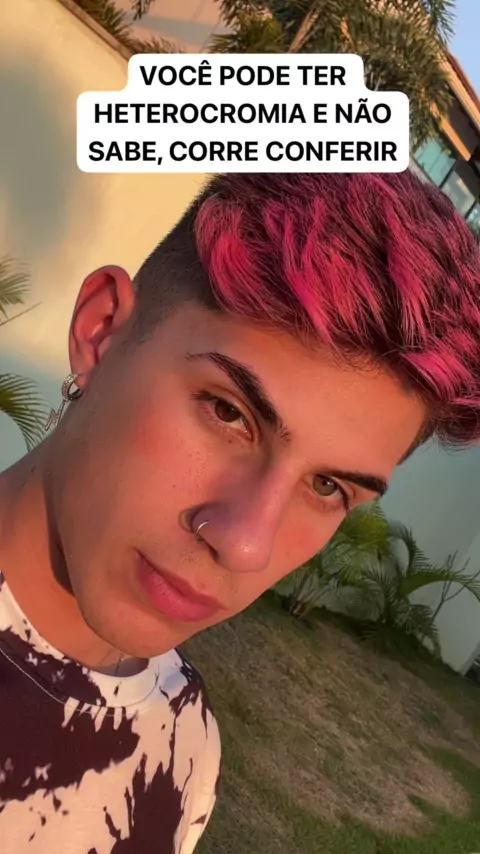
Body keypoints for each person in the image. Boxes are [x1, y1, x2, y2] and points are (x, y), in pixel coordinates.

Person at [0, 170, 479, 853]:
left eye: (328, 487)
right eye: (228, 412)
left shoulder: (182, 753)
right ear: (102, 332)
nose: (247, 544)